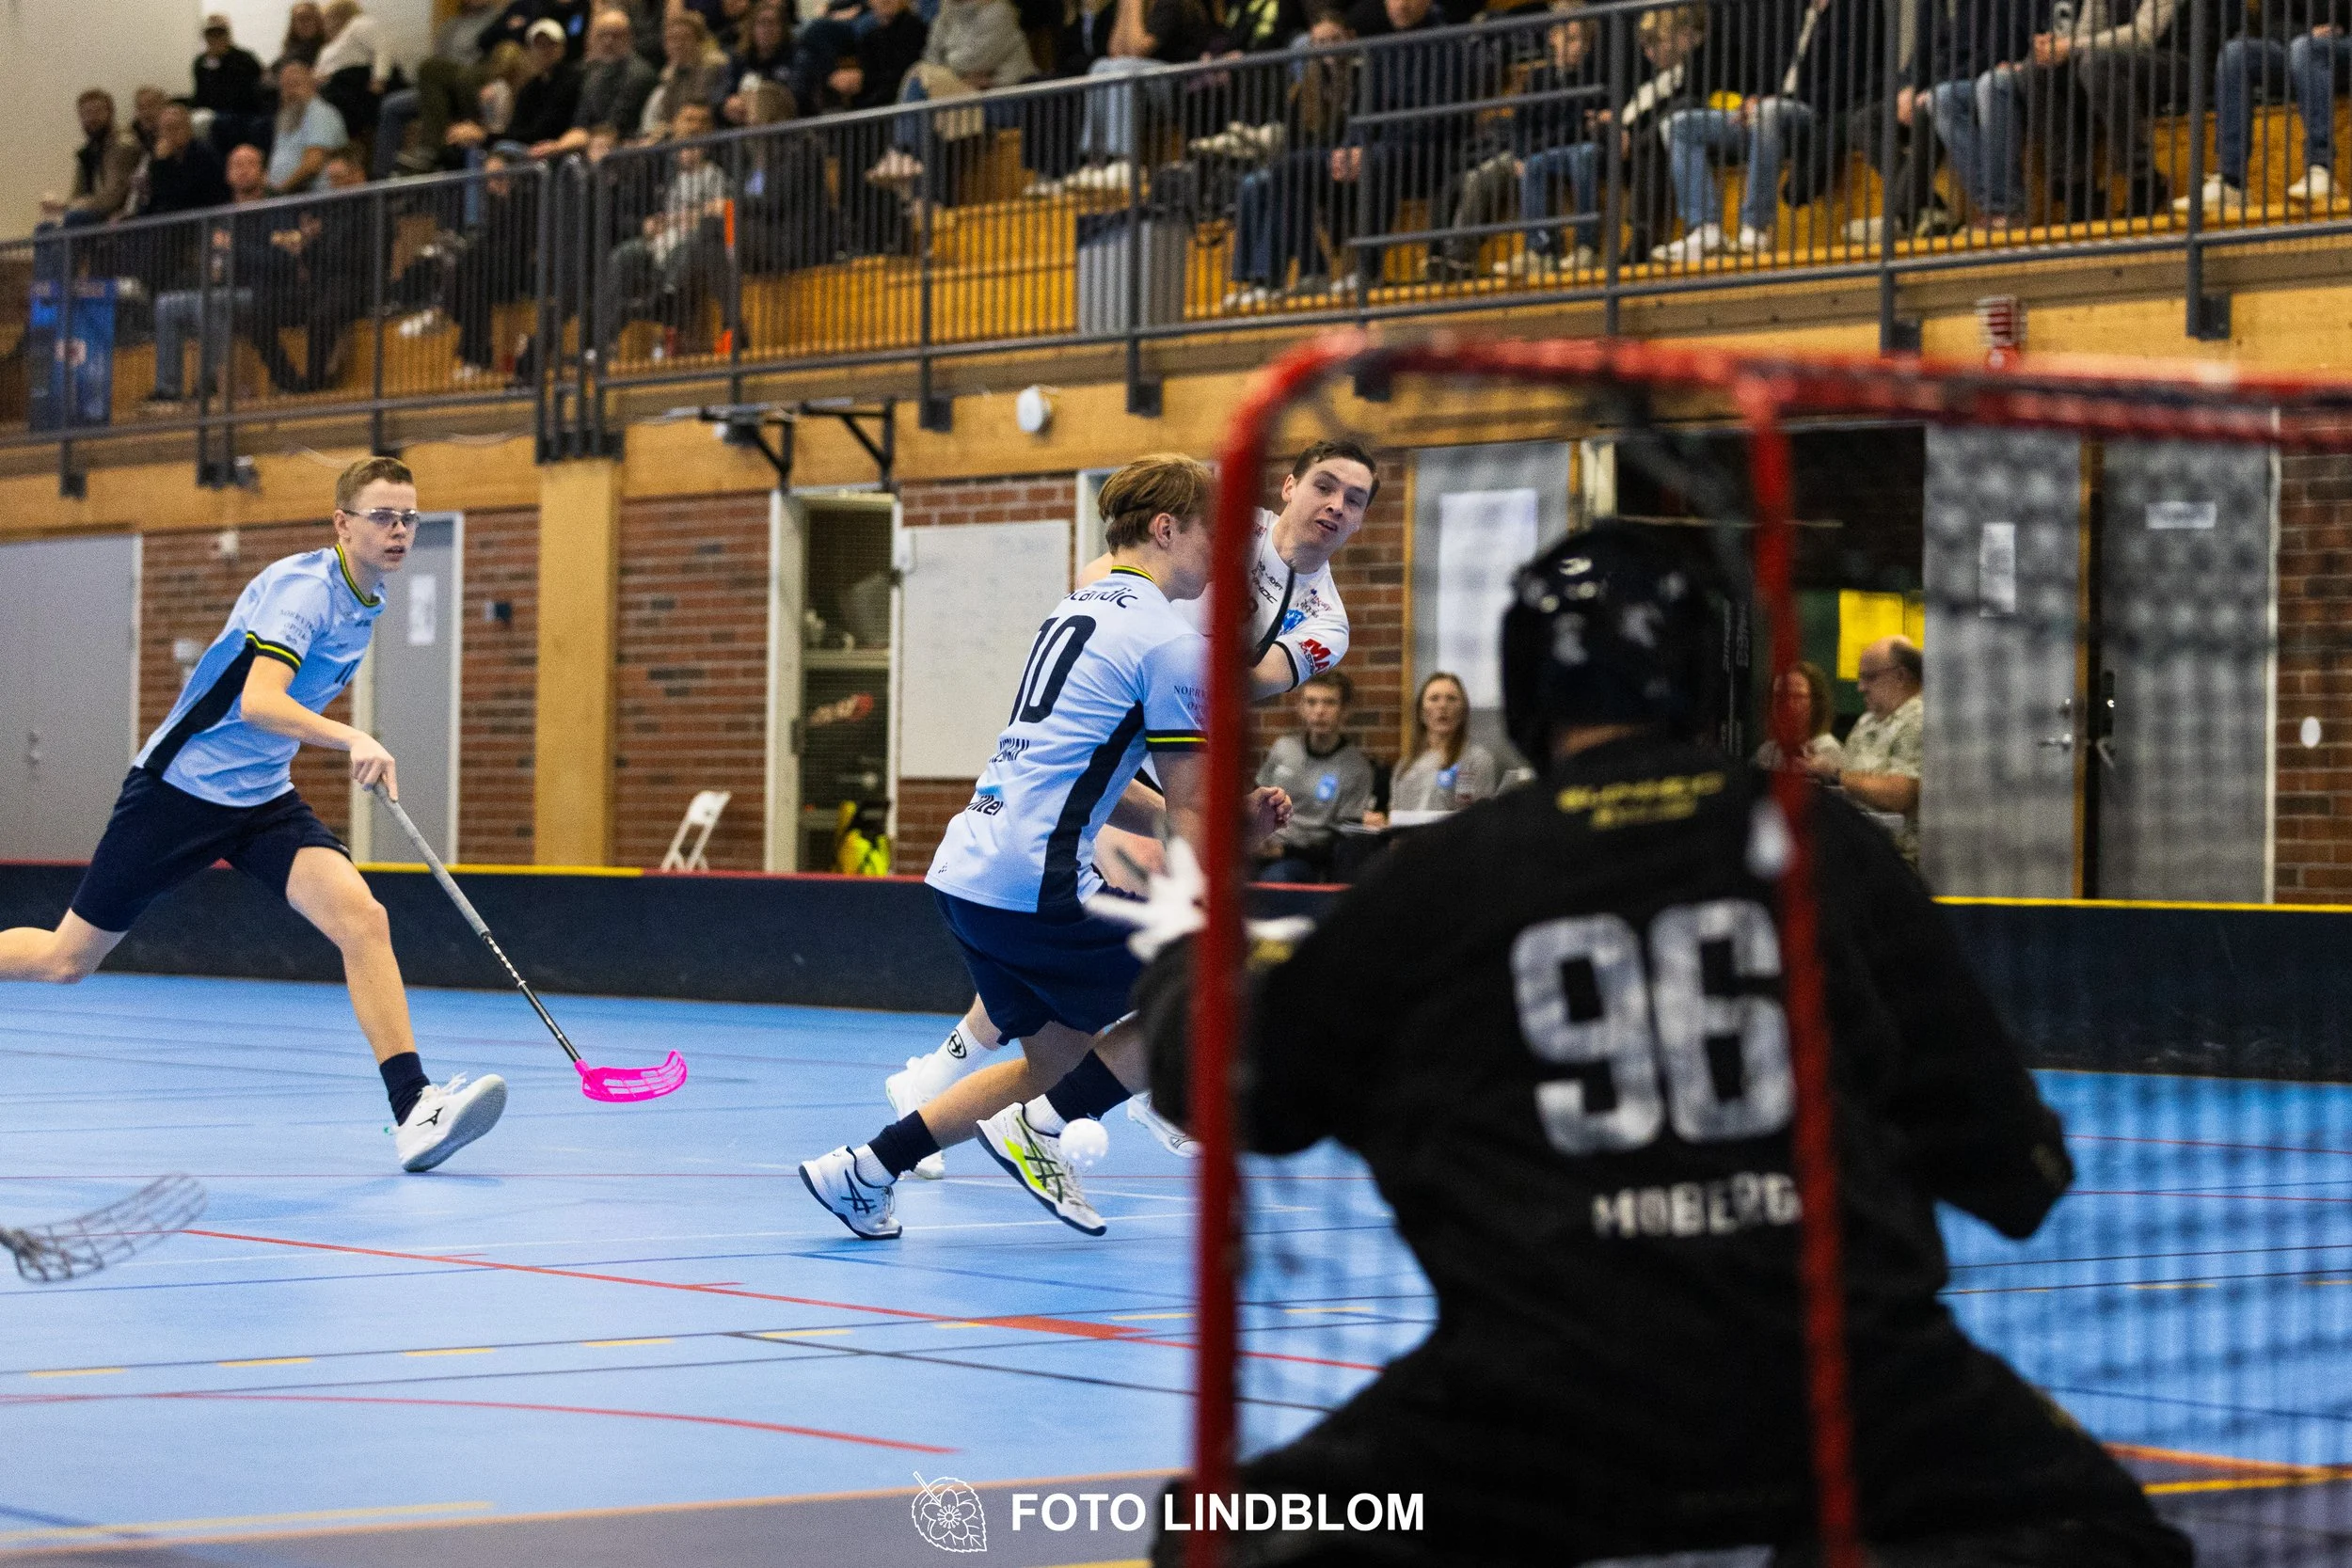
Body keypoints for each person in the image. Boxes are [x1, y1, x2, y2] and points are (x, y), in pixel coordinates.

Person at [1124, 522, 2190, 1566]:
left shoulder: (1454, 874)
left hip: (1537, 1413)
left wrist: (1187, 936)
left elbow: (1229, 1081)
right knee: (2105, 1538)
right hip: (1841, 1393)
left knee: (1220, 1536)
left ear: (1530, 685)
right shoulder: (1824, 853)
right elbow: (2018, 1173)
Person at [800, 454, 1291, 1239]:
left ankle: (863, 1169)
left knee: (1054, 1068)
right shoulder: (1168, 640)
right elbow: (1190, 806)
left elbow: (1092, 775)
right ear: (1166, 529)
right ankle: (1039, 1133)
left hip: (971, 874)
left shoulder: (1078, 610)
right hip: (1036, 881)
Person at [0, 457, 508, 1178]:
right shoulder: (304, 592)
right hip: (178, 793)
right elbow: (257, 703)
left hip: (261, 798)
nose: (399, 531)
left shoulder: (369, 598)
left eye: (409, 519)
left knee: (363, 918)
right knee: (65, 960)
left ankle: (414, 1108)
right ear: (343, 523)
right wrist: (353, 737)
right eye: (383, 517)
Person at [881, 438, 1374, 1168]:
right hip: (1120, 725)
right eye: (1324, 485)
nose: (1335, 505)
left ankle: (936, 1094)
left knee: (1062, 955)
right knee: (1133, 932)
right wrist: (1146, 627)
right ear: (1290, 485)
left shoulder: (1324, 622)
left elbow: (1250, 679)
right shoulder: (1219, 522)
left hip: (1166, 729)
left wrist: (1169, 651)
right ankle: (1137, 1086)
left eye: (1355, 499)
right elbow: (1106, 572)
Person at [1221, 5, 1356, 307]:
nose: (1328, 49)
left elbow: (1352, 137)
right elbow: (1295, 143)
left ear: (1350, 37)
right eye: (1320, 43)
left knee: (1284, 174)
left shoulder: (1359, 79)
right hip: (1303, 170)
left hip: (1341, 167)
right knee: (1253, 183)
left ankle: (1272, 277)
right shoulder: (1305, 88)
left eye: (1334, 40)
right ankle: (1254, 280)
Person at [2185, 1, 2352, 216]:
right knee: (2235, 54)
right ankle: (2231, 182)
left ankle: (2321, 167)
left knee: (2305, 47)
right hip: (2300, 50)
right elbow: (2273, 23)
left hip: (2341, 47)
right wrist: (2308, 33)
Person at [598, 101, 733, 353]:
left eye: (701, 121)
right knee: (624, 255)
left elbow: (722, 205)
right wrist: (645, 225)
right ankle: (604, 342)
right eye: (688, 120)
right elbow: (626, 210)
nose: (695, 128)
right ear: (675, 125)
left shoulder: (722, 162)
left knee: (691, 244)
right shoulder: (659, 166)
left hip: (696, 239)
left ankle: (665, 299)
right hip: (662, 237)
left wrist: (695, 216)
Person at [1254, 671, 1377, 882]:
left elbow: (1342, 842)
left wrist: (1285, 852)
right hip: (1260, 847)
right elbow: (1257, 803)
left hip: (1302, 859)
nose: (1319, 711)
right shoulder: (1283, 748)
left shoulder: (1357, 769)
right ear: (1301, 707)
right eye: (1311, 702)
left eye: (1329, 703)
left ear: (1345, 710)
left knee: (1276, 879)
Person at [1815, 633, 1922, 863]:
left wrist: (1836, 775)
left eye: (1869, 678)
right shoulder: (1867, 722)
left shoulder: (1919, 719)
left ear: (1901, 676)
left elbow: (1902, 795)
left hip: (1901, 864)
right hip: (1860, 856)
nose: (1861, 688)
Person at [1368, 670, 1498, 820]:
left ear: (1462, 711)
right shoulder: (1405, 765)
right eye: (1434, 699)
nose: (1443, 706)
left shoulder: (1477, 760)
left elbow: (1478, 819)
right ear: (1421, 712)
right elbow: (1395, 816)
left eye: (1452, 699)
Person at [533, 6, 660, 158]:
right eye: (603, 35)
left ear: (629, 37)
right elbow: (580, 122)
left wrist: (561, 146)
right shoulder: (592, 74)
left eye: (615, 35)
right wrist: (556, 145)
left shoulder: (640, 74)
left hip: (625, 154)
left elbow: (615, 126)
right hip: (593, 148)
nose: (608, 41)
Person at [41, 90, 144, 230]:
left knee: (76, 218)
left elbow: (113, 197)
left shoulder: (123, 145)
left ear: (110, 113)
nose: (91, 118)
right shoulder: (88, 152)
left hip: (119, 216)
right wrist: (63, 206)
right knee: (45, 228)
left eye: (97, 112)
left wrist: (69, 206)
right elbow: (77, 195)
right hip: (94, 213)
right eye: (86, 114)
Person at [639, 7, 735, 138]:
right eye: (672, 39)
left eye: (684, 38)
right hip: (676, 140)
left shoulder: (713, 68)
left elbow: (701, 108)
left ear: (699, 41)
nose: (678, 45)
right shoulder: (668, 77)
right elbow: (665, 116)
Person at [316, 0, 400, 146]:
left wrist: (379, 78)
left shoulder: (358, 25)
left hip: (354, 83)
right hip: (330, 86)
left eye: (331, 17)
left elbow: (382, 47)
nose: (327, 23)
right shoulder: (329, 45)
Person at [267, 60, 351, 196]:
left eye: (295, 84)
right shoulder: (288, 119)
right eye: (285, 87)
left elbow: (313, 164)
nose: (290, 92)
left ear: (312, 85)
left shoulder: (320, 113)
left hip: (316, 200)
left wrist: (280, 191)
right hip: (288, 200)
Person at [1755, 657, 1843, 771]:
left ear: (1816, 703)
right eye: (1780, 696)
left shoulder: (1830, 754)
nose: (1788, 705)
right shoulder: (1767, 753)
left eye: (1798, 697)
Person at [193, 13, 269, 124]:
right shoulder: (200, 63)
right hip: (211, 113)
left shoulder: (244, 59)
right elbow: (200, 95)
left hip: (242, 113)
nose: (215, 38)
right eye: (211, 34)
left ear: (228, 35)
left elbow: (247, 92)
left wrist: (224, 59)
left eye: (219, 34)